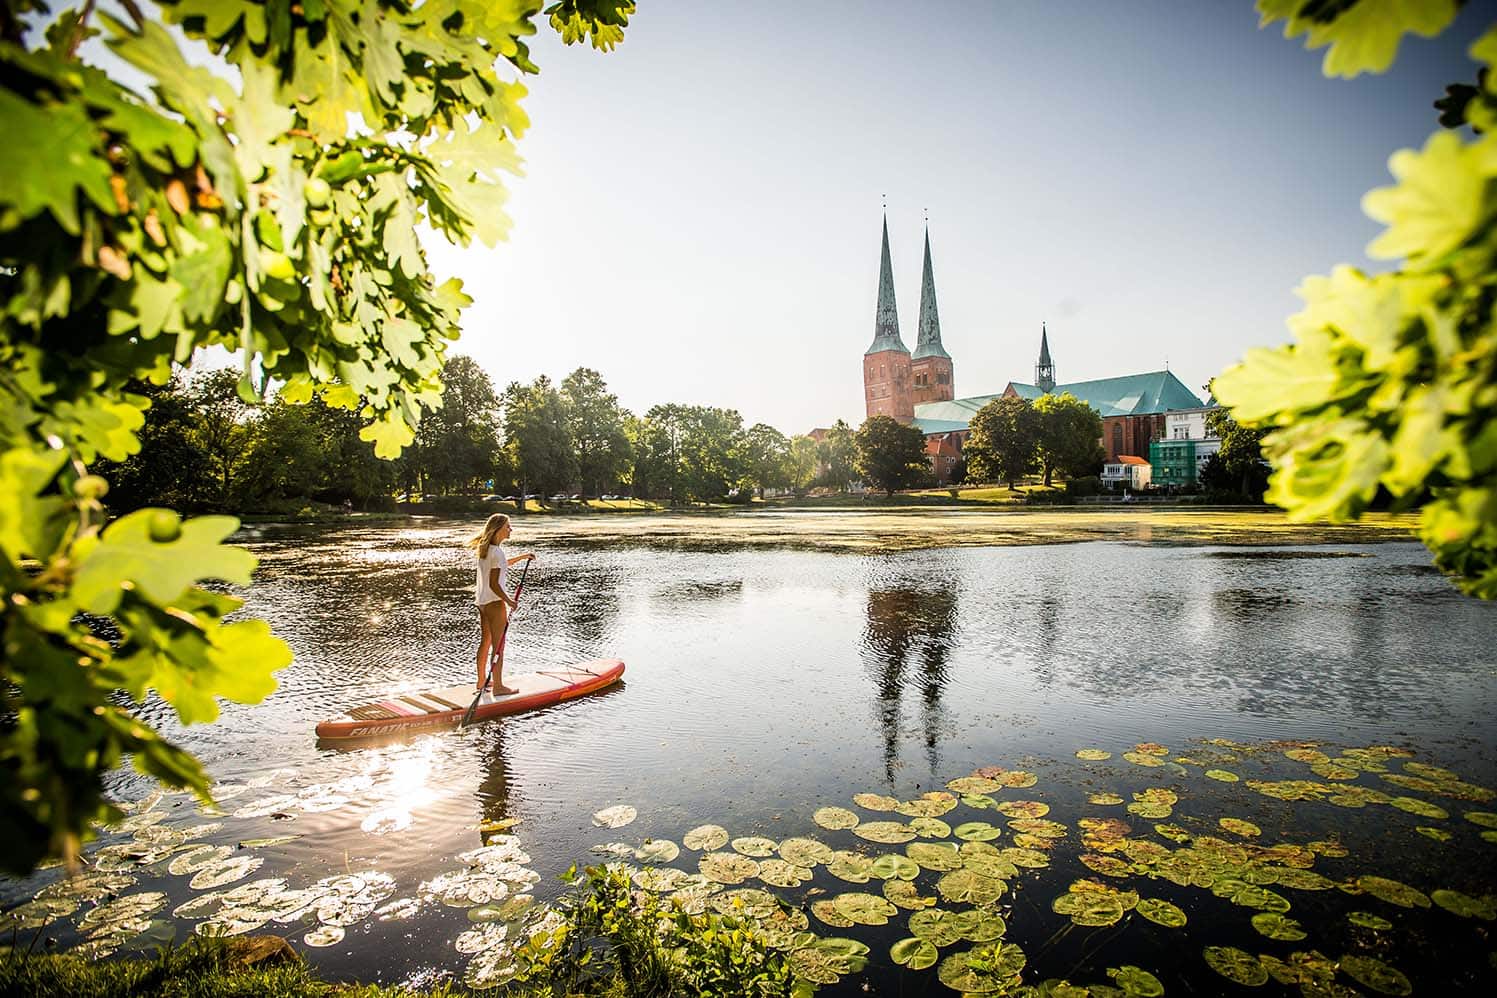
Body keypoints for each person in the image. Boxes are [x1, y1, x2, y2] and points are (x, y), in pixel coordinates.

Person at [467, 513, 535, 696]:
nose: (510, 529)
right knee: (499, 646)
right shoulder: (496, 552)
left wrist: (522, 557)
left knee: (486, 642)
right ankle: (498, 687)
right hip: (495, 603)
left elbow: (502, 565)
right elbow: (494, 584)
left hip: (482, 602)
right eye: (508, 526)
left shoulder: (486, 548)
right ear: (498, 529)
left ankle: (481, 682)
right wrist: (509, 601)